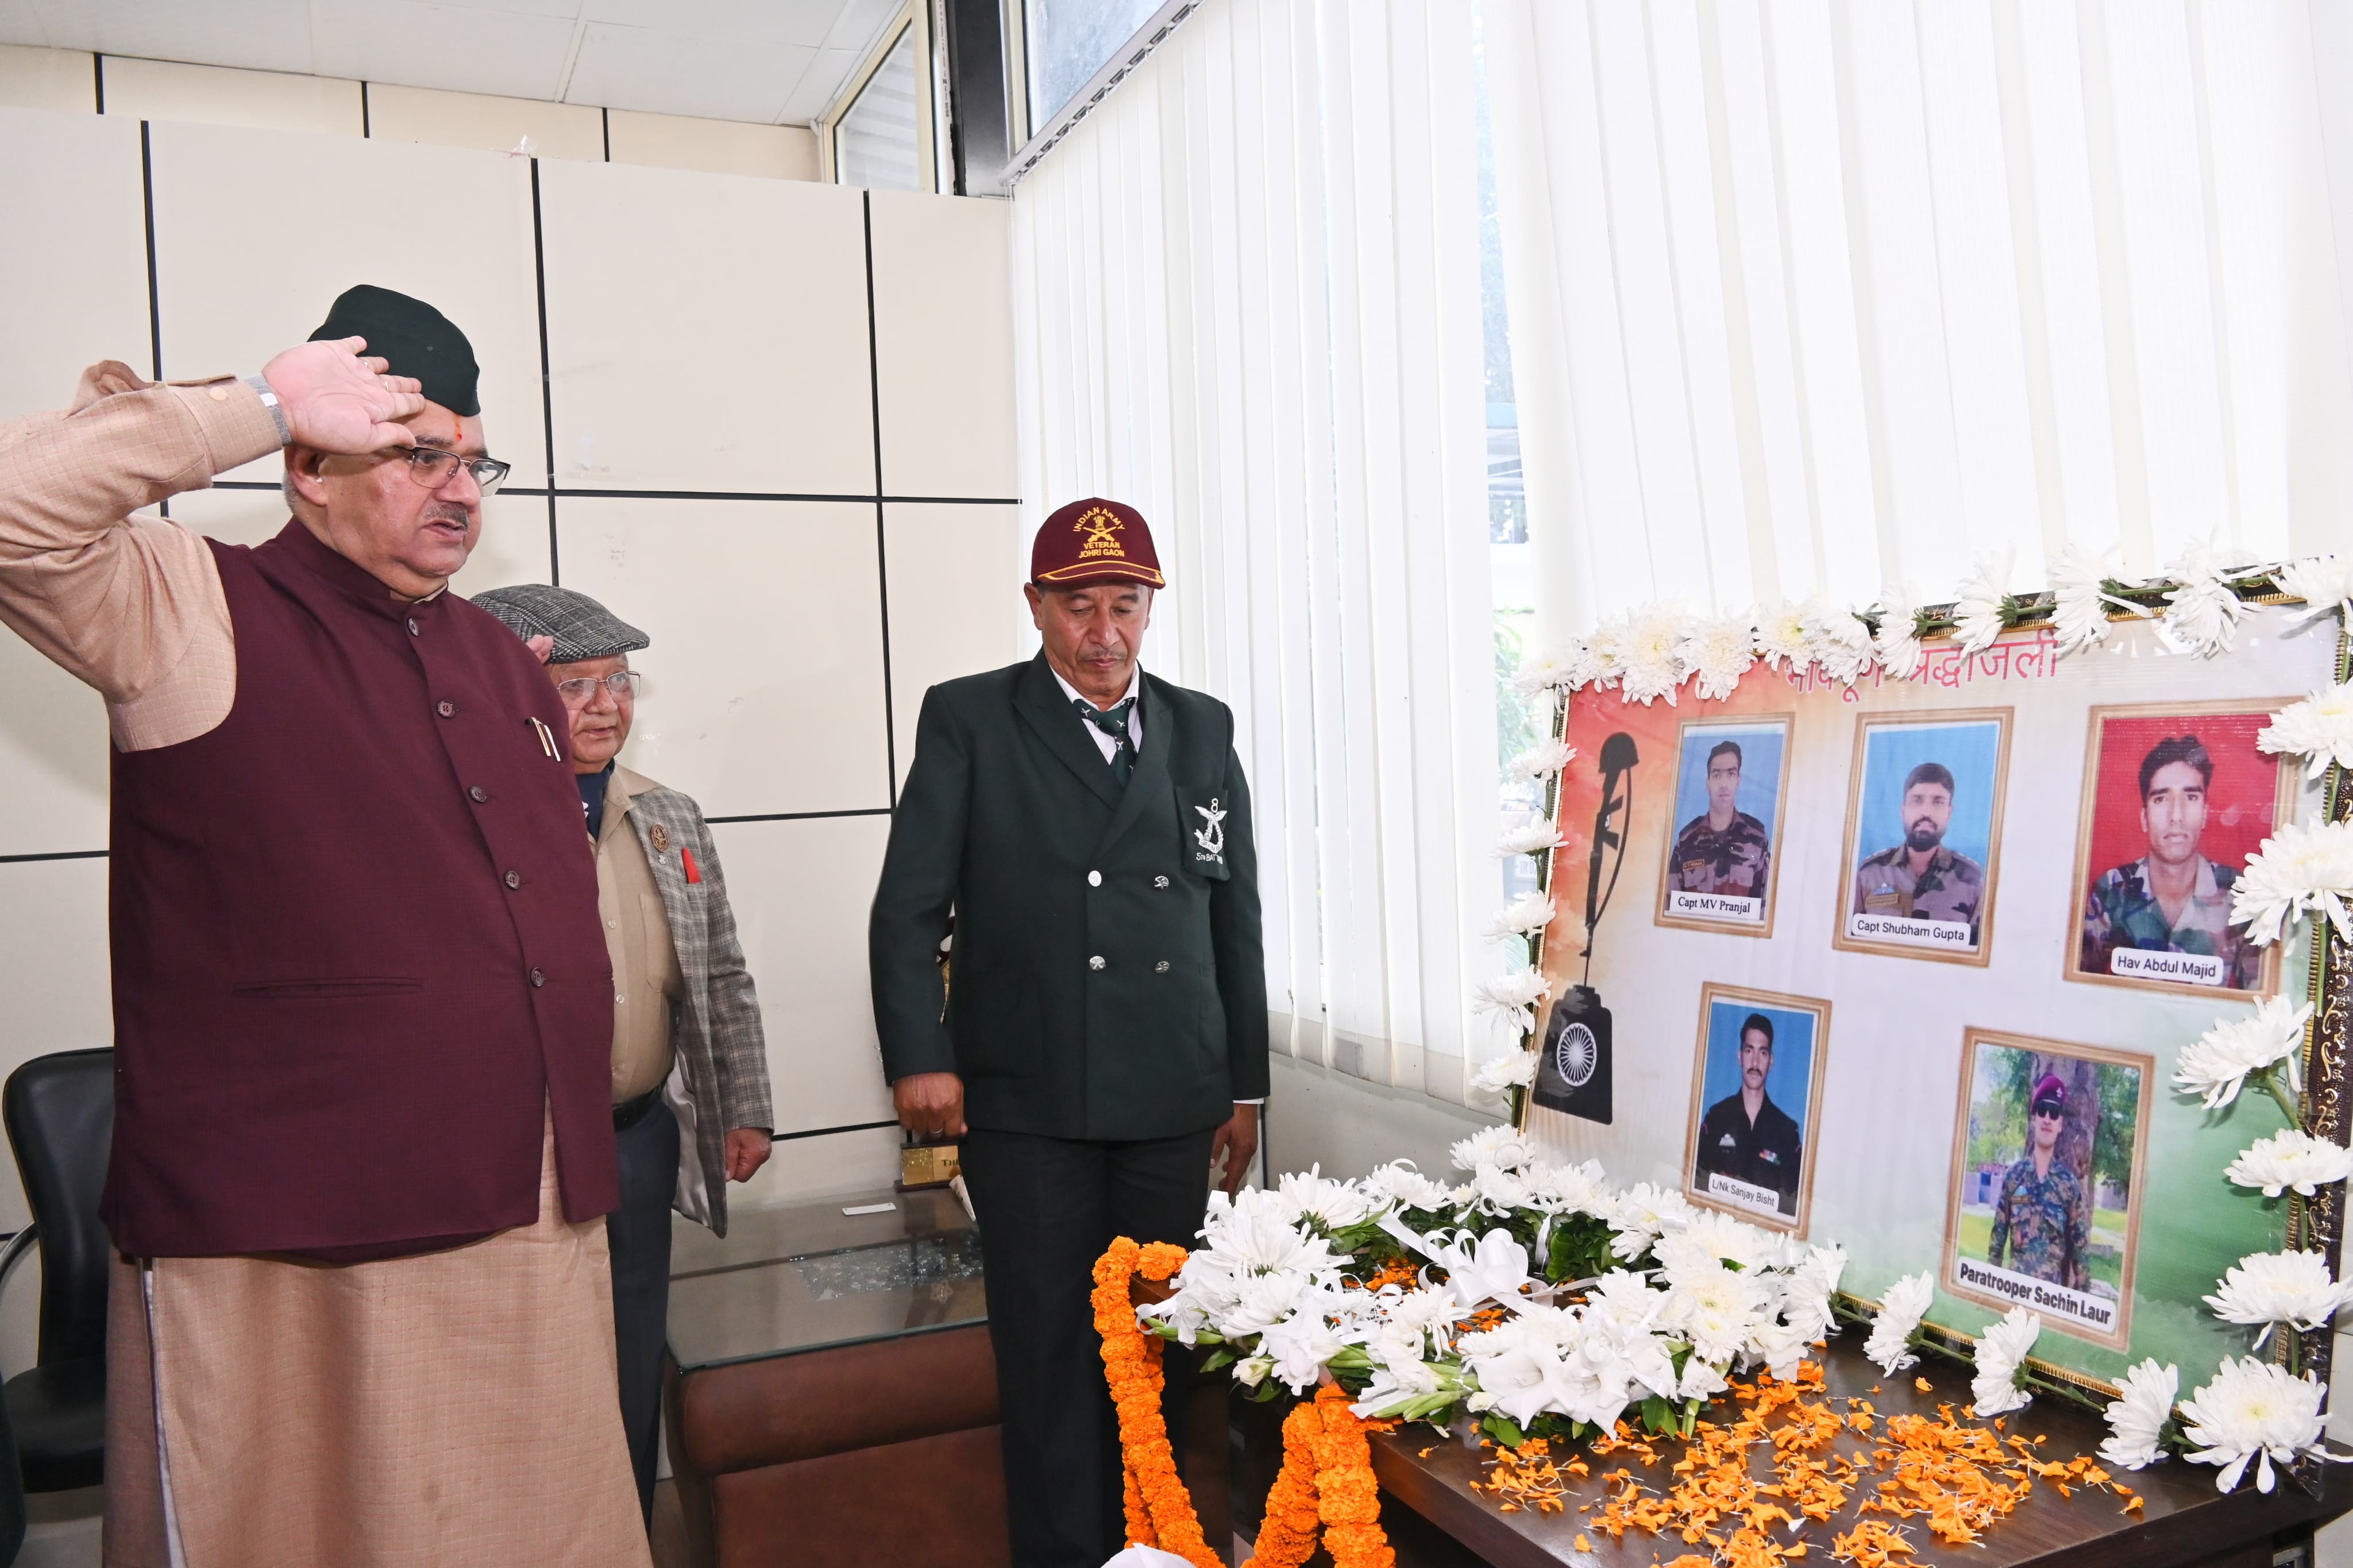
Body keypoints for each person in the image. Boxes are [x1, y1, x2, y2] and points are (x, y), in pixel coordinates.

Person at [0, 288, 648, 1566]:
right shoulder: (189, 608)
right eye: (417, 454)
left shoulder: (502, 662)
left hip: (530, 1217)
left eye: (473, 460)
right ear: (308, 469)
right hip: (302, 1248)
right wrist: (256, 400)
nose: (459, 489)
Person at [868, 496, 1268, 1568]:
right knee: (1048, 1358)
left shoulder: (1202, 725)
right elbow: (908, 910)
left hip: (1169, 1097)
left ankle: (1159, 1554)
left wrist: (1246, 1088)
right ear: (1037, 606)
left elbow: (1232, 913)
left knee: (1161, 1355)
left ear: (1150, 608)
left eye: (1124, 605)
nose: (1104, 633)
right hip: (1028, 1097)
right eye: (1079, 606)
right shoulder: (970, 718)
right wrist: (921, 1057)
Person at [475, 584, 777, 1528]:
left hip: (637, 1139)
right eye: (573, 686)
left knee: (631, 1353)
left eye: (619, 682)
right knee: (521, 1377)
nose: (606, 706)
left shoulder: (668, 817)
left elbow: (717, 971)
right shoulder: (460, 823)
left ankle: (627, 1541)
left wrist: (743, 1103)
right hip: (511, 1159)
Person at [2080, 734, 2257, 988]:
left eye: (2191, 797)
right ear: (2144, 818)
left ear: (2206, 814)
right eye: (2161, 799)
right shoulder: (2111, 889)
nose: (2176, 815)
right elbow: (2081, 993)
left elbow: (2256, 1005)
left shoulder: (2242, 895)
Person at [1850, 760, 1985, 939]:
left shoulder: (1973, 881)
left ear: (1949, 812)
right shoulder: (1870, 874)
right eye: (1917, 800)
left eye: (1938, 802)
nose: (1926, 812)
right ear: (1903, 810)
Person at [1691, 1013, 1803, 1216]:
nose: (1754, 1062)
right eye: (1749, 1050)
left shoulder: (1787, 1131)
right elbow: (1697, 1185)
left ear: (1771, 1062)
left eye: (1763, 1053)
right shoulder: (1716, 1118)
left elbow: (1790, 1205)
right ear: (1740, 1057)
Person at [1988, 1073, 2092, 1291]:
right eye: (2042, 1111)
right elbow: (1997, 1242)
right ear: (2033, 1119)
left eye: (2054, 1114)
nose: (2047, 1119)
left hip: (2050, 1301)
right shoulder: (2014, 1177)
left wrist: (2084, 1298)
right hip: (2012, 1294)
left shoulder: (2069, 1185)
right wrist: (1989, 1292)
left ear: (2060, 1125)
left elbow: (2080, 1250)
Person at [1665, 739, 1770, 903]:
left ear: (1738, 780)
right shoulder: (1686, 840)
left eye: (1731, 774)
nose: (1723, 784)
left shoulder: (1756, 838)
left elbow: (1763, 909)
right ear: (1708, 783)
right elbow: (1669, 905)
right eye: (1716, 775)